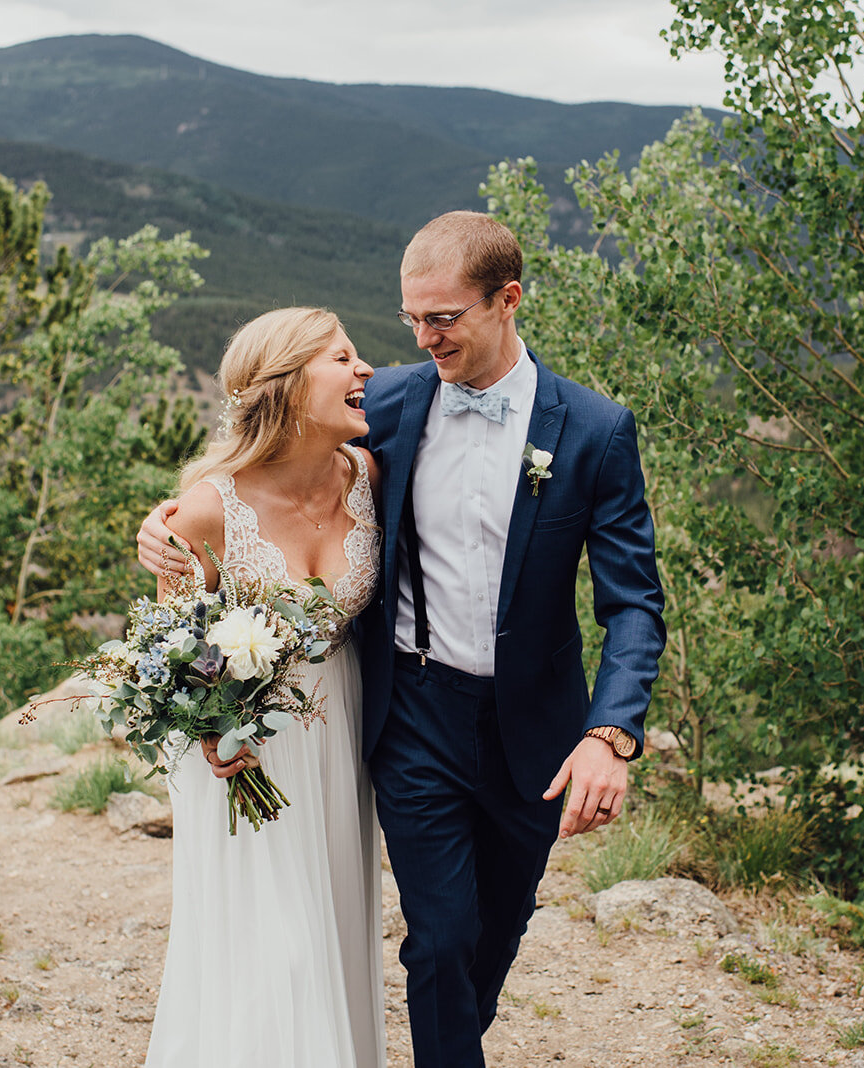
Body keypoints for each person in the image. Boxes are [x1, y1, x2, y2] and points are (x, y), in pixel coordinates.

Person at [140, 212, 666, 1067]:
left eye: (443, 320)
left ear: (508, 301)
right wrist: (161, 529)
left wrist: (611, 734)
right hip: (412, 711)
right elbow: (263, 463)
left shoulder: (596, 433)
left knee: (489, 939)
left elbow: (635, 602)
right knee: (439, 939)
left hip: (532, 729)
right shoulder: (385, 404)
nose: (420, 342)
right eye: (409, 320)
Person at [142, 306, 385, 1067]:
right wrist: (212, 732)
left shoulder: (370, 474)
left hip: (340, 726)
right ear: (284, 386)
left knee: (332, 928)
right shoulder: (210, 508)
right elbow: (171, 654)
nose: (365, 371)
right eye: (342, 359)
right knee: (273, 947)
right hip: (243, 749)